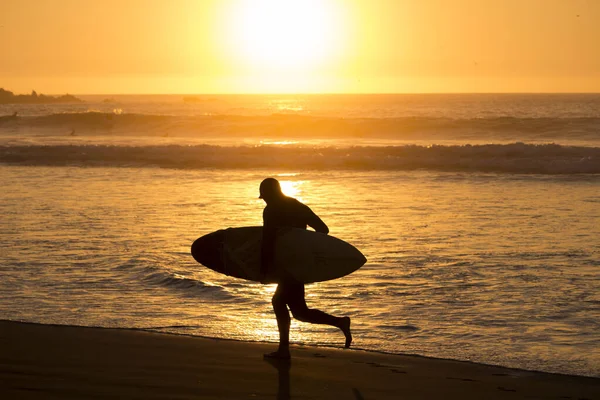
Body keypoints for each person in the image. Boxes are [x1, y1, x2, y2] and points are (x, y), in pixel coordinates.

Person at [259, 177, 352, 360]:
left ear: (270, 194)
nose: (265, 200)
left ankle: (284, 351)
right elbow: (323, 230)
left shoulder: (271, 211)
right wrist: (309, 253)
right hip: (300, 265)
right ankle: (340, 322)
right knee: (299, 311)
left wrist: (263, 270)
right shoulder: (298, 206)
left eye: (265, 197)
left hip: (286, 266)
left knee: (279, 302)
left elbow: (267, 242)